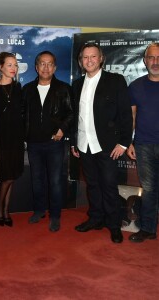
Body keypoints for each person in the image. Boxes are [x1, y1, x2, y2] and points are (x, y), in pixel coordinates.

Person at [71, 43, 132, 243]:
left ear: (101, 58)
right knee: (93, 185)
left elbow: (125, 113)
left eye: (93, 56)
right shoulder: (77, 84)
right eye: (85, 57)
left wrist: (124, 143)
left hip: (107, 145)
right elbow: (75, 116)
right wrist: (74, 142)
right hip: (84, 144)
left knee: (109, 186)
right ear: (81, 61)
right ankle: (96, 219)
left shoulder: (115, 81)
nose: (89, 60)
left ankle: (114, 225)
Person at [22, 51, 73, 232]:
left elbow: (71, 113)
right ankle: (39, 210)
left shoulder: (64, 88)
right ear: (36, 67)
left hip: (54, 143)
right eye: (42, 64)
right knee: (37, 180)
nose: (45, 67)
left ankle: (56, 215)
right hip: (34, 144)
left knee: (55, 181)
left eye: (49, 64)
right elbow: (22, 116)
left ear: (55, 67)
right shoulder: (27, 89)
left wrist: (62, 129)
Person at [127, 43, 159, 243]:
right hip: (144, 145)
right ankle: (148, 228)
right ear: (145, 61)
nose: (156, 62)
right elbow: (132, 115)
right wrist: (129, 141)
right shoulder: (136, 86)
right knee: (149, 189)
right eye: (152, 58)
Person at [0, 52, 24, 227]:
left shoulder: (19, 87)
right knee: (6, 176)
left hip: (16, 138)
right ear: (1, 67)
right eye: (10, 65)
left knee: (12, 175)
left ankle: (5, 210)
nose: (13, 68)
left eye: (15, 65)